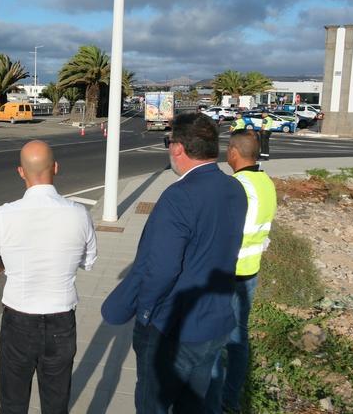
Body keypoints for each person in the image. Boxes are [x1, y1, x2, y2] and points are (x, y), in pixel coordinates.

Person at [101, 113, 247, 413]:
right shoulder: (234, 189)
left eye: (169, 142)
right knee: (194, 404)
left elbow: (162, 269)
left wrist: (144, 312)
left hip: (175, 327)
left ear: (178, 148)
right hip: (215, 322)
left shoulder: (179, 196)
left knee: (153, 403)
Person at [0, 140, 97, 414]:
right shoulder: (79, 213)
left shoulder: (3, 216)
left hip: (18, 321)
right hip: (62, 321)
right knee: (56, 403)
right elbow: (88, 262)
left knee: (13, 403)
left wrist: (6, 263)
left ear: (20, 172)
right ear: (55, 167)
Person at [205, 130, 278, 414]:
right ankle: (230, 400)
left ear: (234, 153)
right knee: (238, 338)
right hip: (251, 269)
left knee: (212, 338)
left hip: (227, 271)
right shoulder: (266, 183)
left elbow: (220, 232)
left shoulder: (236, 186)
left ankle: (210, 400)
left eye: (228, 150)